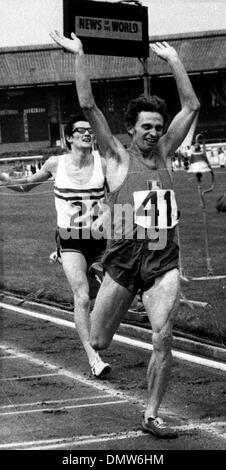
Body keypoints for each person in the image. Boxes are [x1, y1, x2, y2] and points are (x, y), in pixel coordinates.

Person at [50, 31, 200, 438]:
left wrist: (174, 62)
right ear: (131, 130)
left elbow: (192, 105)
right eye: (146, 127)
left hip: (161, 258)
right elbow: (88, 105)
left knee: (163, 337)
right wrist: (80, 55)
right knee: (98, 342)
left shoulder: (167, 152)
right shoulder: (116, 156)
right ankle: (107, 285)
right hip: (122, 259)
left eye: (158, 126)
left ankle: (151, 414)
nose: (154, 132)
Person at [0, 115, 111, 379]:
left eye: (89, 130)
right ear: (69, 138)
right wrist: (3, 178)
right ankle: (93, 358)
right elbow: (26, 187)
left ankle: (78, 264)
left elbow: (119, 196)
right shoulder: (55, 163)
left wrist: (107, 210)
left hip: (100, 239)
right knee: (81, 296)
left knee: (101, 293)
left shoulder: (103, 165)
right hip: (70, 238)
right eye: (80, 131)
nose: (87, 134)